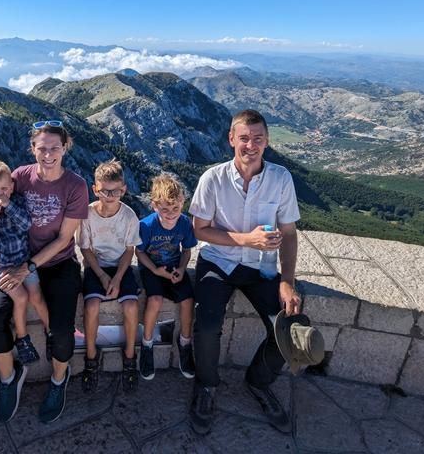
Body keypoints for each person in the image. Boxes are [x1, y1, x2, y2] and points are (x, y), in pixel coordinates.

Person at [187, 109, 302, 435]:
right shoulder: (213, 179)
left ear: (267, 141)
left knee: (288, 331)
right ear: (231, 140)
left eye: (258, 139)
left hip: (261, 269)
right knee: (207, 325)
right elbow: (200, 230)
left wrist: (287, 281)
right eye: (244, 138)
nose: (250, 145)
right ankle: (207, 386)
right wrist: (246, 239)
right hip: (218, 262)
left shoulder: (281, 179)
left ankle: (258, 382)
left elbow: (289, 234)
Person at [0, 120, 88, 424]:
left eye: (55, 148)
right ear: (33, 149)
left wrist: (30, 266)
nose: (48, 154)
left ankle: (58, 380)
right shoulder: (19, 178)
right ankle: (8, 378)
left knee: (63, 330)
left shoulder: (76, 186)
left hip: (57, 263)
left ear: (65, 148)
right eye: (42, 148)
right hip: (15, 261)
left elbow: (65, 239)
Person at [0, 160, 49, 366]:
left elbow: (26, 224)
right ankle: (23, 339)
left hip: (22, 261)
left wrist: (9, 206)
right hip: (2, 266)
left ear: (12, 187)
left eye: (4, 189)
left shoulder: (17, 201)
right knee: (22, 297)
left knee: (36, 296)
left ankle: (51, 331)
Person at [77, 159, 141, 393]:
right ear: (95, 189)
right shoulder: (87, 215)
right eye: (104, 190)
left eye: (115, 191)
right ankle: (91, 358)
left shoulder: (129, 217)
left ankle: (130, 357)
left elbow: (128, 251)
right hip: (96, 266)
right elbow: (86, 249)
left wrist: (116, 278)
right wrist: (103, 276)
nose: (110, 195)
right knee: (92, 306)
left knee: (132, 307)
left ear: (123, 190)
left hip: (121, 267)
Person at [136, 173, 197, 381]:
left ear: (182, 203)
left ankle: (185, 343)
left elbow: (187, 250)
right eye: (165, 209)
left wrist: (181, 268)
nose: (171, 214)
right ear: (154, 205)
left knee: (188, 300)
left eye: (176, 208)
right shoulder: (146, 225)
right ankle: (147, 345)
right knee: (154, 300)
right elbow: (139, 252)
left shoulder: (185, 223)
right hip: (152, 268)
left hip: (174, 266)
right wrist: (154, 270)